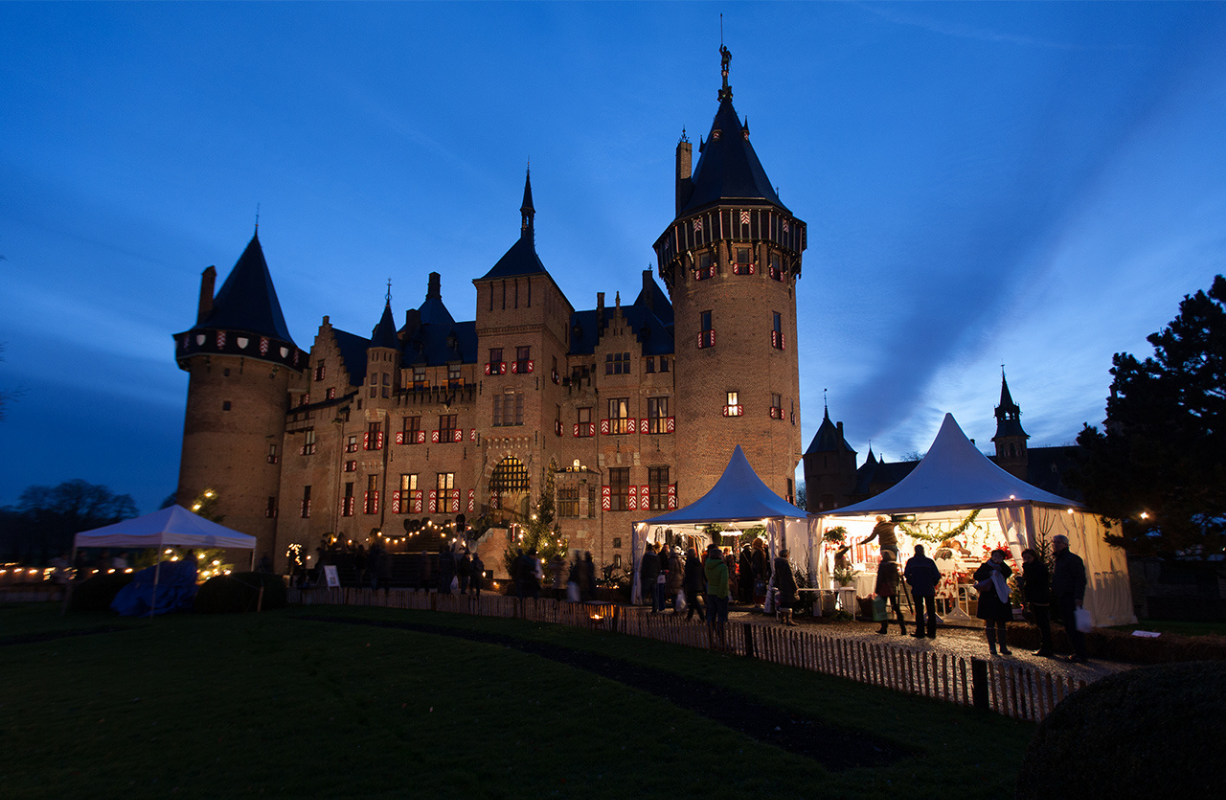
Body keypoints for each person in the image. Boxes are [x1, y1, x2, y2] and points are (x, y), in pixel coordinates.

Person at [1051, 534, 1089, 663]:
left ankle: (1081, 653)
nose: (1056, 545)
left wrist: (1078, 596)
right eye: (1054, 542)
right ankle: (1076, 651)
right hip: (1062, 595)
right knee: (1068, 625)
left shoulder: (1072, 559)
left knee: (1074, 626)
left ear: (1065, 544)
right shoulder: (1059, 559)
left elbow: (1080, 579)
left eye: (1058, 542)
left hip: (1070, 596)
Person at [974, 549, 1014, 656]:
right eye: (995, 555)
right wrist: (989, 573)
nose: (996, 557)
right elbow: (977, 575)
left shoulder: (1003, 567)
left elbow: (1008, 573)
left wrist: (1000, 566)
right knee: (990, 622)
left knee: (1001, 622)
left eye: (999, 555)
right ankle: (992, 646)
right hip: (989, 597)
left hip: (1000, 596)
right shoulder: (986, 565)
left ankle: (1003, 646)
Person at [1020, 548, 1054, 657]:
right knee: (1040, 623)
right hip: (1035, 597)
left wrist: (1026, 568)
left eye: (1028, 558)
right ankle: (1045, 646)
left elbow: (1034, 579)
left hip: (1040, 597)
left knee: (1043, 623)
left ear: (1034, 557)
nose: (1026, 560)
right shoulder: (1033, 567)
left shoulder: (1038, 567)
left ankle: (1047, 647)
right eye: (1024, 558)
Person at [904, 544, 941, 639]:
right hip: (928, 588)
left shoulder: (911, 561)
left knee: (919, 611)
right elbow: (937, 575)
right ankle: (932, 632)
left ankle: (920, 631)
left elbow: (907, 574)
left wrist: (912, 582)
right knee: (931, 610)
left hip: (917, 588)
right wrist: (933, 583)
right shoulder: (929, 561)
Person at [704, 543, 730, 650]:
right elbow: (723, 582)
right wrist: (722, 594)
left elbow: (707, 578)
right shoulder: (722, 567)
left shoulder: (707, 565)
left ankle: (711, 640)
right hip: (720, 594)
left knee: (711, 617)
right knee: (722, 618)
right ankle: (723, 642)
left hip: (711, 592)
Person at [874, 551, 906, 635]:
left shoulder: (882, 565)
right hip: (892, 588)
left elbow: (880, 578)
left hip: (884, 588)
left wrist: (877, 590)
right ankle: (903, 627)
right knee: (895, 607)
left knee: (882, 608)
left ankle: (884, 627)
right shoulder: (893, 565)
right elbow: (896, 578)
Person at [774, 548, 798, 626]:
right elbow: (791, 576)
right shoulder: (786, 563)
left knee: (783, 601)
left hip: (782, 584)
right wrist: (795, 587)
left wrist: (777, 584)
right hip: (788, 585)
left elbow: (776, 575)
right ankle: (789, 619)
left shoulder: (778, 563)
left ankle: (783, 618)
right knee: (788, 602)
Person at [683, 547, 706, 622]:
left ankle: (702, 617)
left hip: (691, 584)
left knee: (694, 602)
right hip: (697, 583)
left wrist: (684, 583)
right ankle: (689, 617)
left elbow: (688, 574)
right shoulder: (698, 562)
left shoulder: (689, 563)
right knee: (693, 601)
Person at [751, 538, 771, 608]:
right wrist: (759, 573)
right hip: (759, 572)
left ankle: (758, 601)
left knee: (758, 586)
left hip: (758, 571)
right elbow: (757, 563)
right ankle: (759, 601)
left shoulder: (755, 551)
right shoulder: (758, 552)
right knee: (760, 586)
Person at [640, 543, 661, 611]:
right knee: (654, 593)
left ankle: (641, 604)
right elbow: (659, 567)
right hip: (654, 576)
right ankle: (655, 607)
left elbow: (644, 567)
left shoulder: (646, 556)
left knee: (644, 591)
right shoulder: (656, 557)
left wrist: (642, 575)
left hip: (647, 576)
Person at [666, 547, 684, 613]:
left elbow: (672, 572)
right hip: (679, 579)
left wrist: (668, 580)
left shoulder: (672, 560)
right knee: (677, 595)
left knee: (673, 596)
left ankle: (676, 609)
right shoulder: (678, 560)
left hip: (674, 580)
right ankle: (679, 608)